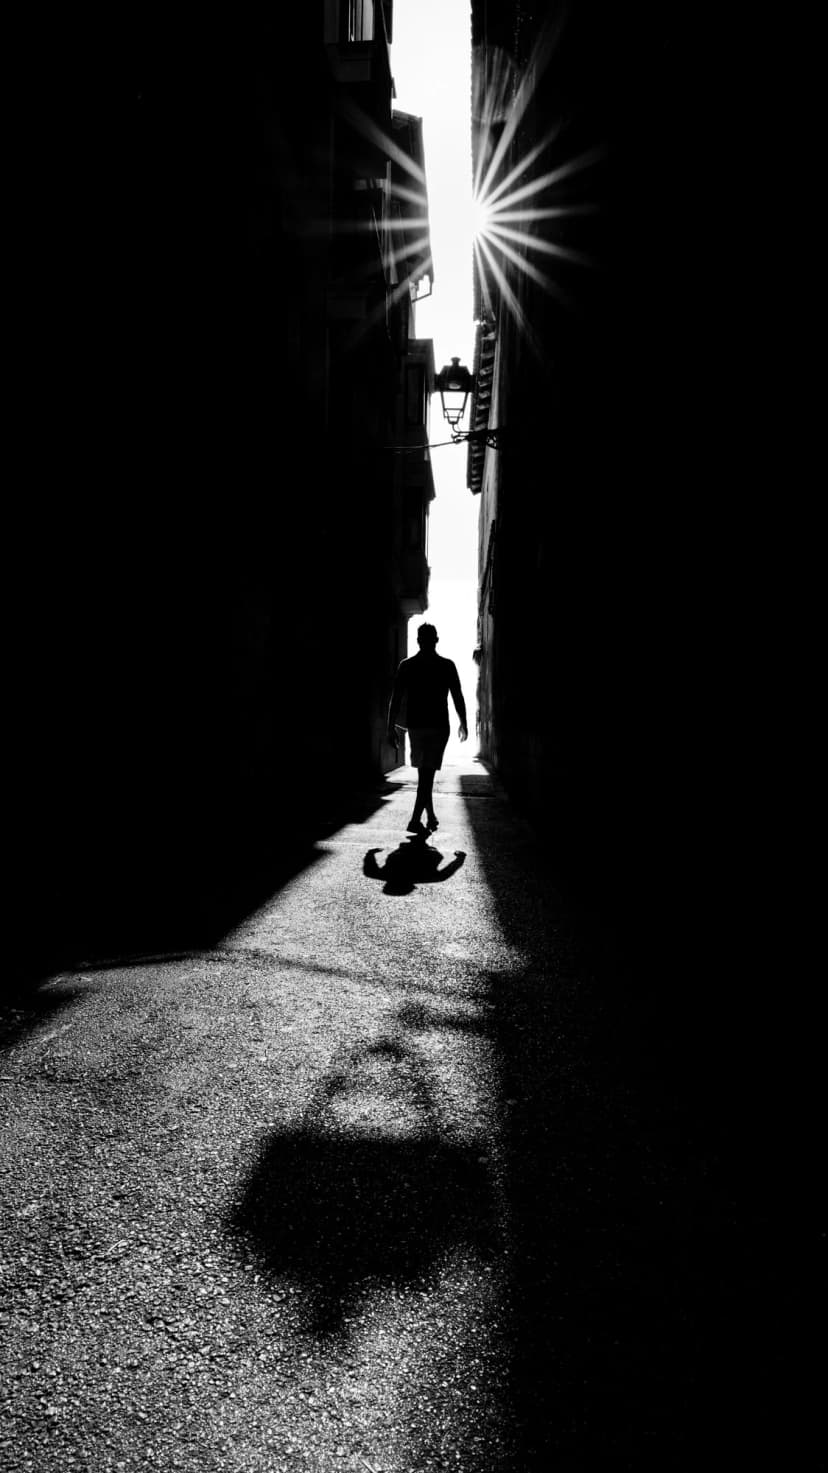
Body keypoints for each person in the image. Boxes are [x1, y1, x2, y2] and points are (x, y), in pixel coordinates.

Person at [386, 623, 468, 834]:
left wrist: (389, 727)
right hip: (439, 726)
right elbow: (457, 696)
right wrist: (464, 722)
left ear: (418, 640)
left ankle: (428, 816)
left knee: (425, 772)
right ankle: (416, 820)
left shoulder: (407, 666)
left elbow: (395, 700)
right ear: (436, 640)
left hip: (417, 726)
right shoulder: (447, 665)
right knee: (427, 773)